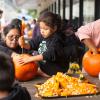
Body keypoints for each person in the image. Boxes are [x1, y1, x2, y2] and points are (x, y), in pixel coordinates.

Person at [18, 12, 68, 77]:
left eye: (45, 29)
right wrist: (24, 44)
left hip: (55, 73)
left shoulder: (57, 40)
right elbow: (31, 44)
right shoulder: (42, 36)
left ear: (54, 28)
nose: (42, 31)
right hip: (45, 70)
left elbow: (48, 55)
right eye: (41, 28)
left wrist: (30, 59)